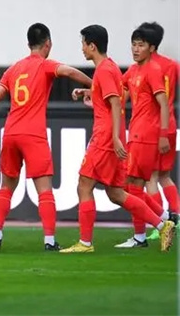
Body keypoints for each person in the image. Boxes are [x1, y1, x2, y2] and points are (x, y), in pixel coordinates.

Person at [60, 25, 175, 253]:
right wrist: (88, 92)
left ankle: (85, 243)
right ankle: (163, 225)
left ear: (92, 46)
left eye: (83, 44)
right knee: (117, 193)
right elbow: (114, 96)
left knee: (84, 185)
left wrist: (114, 137)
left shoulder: (105, 70)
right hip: (114, 135)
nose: (82, 48)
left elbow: (115, 103)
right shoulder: (111, 67)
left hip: (105, 137)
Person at [0, 23, 93, 251]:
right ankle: (49, 240)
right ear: (48, 43)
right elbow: (70, 72)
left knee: (6, 187)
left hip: (11, 132)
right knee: (44, 189)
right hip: (33, 134)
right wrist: (94, 84)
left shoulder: (14, 69)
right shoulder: (45, 65)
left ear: (28, 44)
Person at [114, 26, 178, 248]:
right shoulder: (133, 70)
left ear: (151, 48)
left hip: (147, 135)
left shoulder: (153, 70)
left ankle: (145, 234)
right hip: (136, 133)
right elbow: (117, 92)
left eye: (140, 45)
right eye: (133, 44)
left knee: (134, 186)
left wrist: (163, 134)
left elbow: (163, 103)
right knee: (132, 185)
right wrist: (90, 93)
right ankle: (163, 219)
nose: (135, 49)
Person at [137, 22, 179, 241]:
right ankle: (176, 216)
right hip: (171, 125)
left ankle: (160, 224)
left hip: (155, 128)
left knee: (150, 178)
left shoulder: (147, 68)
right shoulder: (172, 65)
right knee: (165, 176)